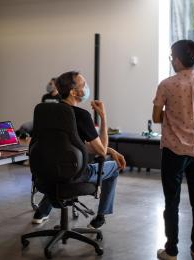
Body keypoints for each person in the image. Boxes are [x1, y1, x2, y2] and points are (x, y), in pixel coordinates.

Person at [32, 71, 126, 229]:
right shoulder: (82, 115)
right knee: (114, 167)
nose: (87, 87)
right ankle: (100, 217)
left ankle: (41, 212)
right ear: (73, 92)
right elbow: (101, 151)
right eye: (84, 84)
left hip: (45, 173)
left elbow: (72, 146)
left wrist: (110, 149)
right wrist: (103, 116)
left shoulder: (48, 113)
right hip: (75, 175)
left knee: (59, 167)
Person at [153, 40, 194, 260]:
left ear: (176, 59)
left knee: (172, 201)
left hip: (173, 151)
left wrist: (171, 113)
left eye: (171, 56)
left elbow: (156, 117)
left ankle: (172, 251)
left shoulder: (167, 84)